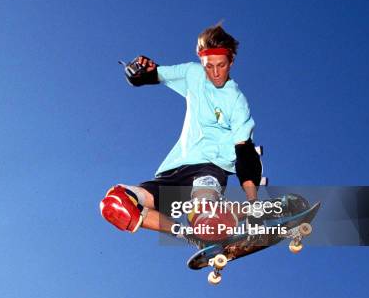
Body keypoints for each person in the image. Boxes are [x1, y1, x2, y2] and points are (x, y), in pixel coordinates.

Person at [99, 24, 262, 245]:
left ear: (231, 62)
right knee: (116, 202)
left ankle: (243, 212)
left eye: (221, 66)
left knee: (202, 207)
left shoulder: (236, 100)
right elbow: (148, 76)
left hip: (210, 167)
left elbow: (245, 152)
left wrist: (252, 199)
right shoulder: (191, 73)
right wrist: (138, 71)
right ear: (201, 61)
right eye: (209, 66)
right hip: (172, 172)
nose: (214, 73)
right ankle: (190, 236)